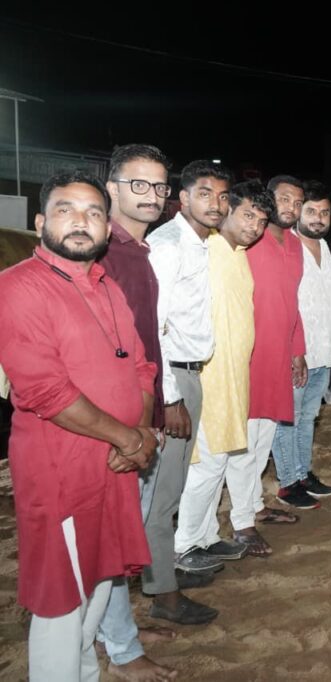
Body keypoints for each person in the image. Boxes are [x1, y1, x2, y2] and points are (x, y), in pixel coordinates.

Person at [0, 170, 156, 681]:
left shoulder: (108, 286)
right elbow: (45, 391)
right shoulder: (17, 287)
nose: (80, 222)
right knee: (62, 597)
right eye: (65, 210)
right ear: (40, 222)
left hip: (116, 462)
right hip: (61, 470)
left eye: (93, 213)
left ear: (107, 229)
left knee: (101, 578)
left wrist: (143, 431)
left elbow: (141, 367)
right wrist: (129, 438)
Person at [97, 144, 178, 681]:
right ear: (112, 188)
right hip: (117, 426)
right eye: (138, 184)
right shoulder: (102, 252)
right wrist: (129, 430)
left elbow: (146, 345)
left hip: (143, 416)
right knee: (110, 540)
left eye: (159, 186)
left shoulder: (138, 252)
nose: (151, 195)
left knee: (124, 535)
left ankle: (118, 629)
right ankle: (122, 652)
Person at [145, 160, 236, 626]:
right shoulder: (168, 246)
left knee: (172, 488)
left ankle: (163, 574)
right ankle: (163, 594)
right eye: (205, 194)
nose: (216, 204)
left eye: (222, 196)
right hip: (173, 379)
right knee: (162, 495)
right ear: (182, 198)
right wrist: (170, 398)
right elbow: (153, 328)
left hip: (190, 374)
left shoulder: (202, 243)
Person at [174, 181, 275, 559]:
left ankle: (207, 536)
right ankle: (185, 545)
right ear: (227, 209)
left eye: (261, 221)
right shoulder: (206, 250)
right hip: (209, 378)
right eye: (248, 215)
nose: (254, 227)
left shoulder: (238, 254)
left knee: (217, 464)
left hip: (234, 377)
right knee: (207, 464)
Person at [272, 179, 331, 500]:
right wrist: (290, 351)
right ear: (299, 212)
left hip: (322, 352)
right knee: (288, 419)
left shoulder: (325, 248)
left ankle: (302, 473)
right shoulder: (287, 244)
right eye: (311, 211)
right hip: (295, 352)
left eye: (324, 213)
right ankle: (288, 482)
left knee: (309, 417)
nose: (318, 218)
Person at [248, 175, 310, 514]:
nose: (292, 208)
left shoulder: (296, 245)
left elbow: (292, 301)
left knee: (264, 436)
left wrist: (298, 350)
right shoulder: (249, 238)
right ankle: (243, 513)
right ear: (268, 198)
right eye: (285, 199)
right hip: (250, 354)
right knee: (243, 438)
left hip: (280, 354)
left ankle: (253, 506)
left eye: (298, 203)